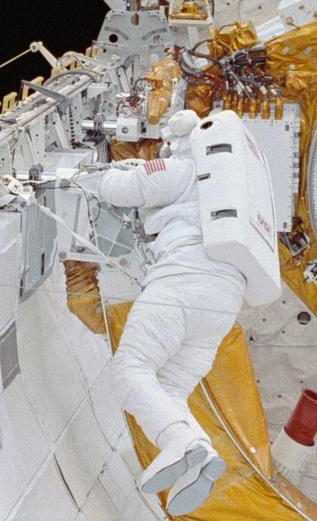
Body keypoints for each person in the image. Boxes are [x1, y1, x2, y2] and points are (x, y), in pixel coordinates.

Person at [76, 109, 244, 516]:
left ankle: (179, 444)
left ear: (183, 141)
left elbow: (118, 189)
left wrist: (86, 175)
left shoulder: (182, 169)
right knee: (168, 390)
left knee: (130, 371)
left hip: (184, 279)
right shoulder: (237, 189)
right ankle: (198, 451)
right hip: (225, 299)